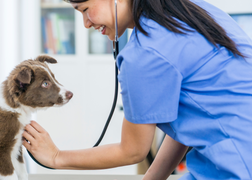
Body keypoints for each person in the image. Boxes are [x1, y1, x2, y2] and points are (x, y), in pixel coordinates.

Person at [22, 0, 252, 179]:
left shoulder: (144, 54)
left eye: (84, 9)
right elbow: (187, 123)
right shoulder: (191, 11)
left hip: (238, 165)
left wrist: (56, 157)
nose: (86, 23)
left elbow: (132, 150)